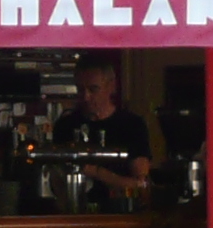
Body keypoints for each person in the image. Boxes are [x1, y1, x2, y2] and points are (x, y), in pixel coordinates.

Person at [54, 57, 154, 205]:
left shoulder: (131, 125)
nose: (86, 97)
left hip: (120, 213)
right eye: (80, 89)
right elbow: (56, 177)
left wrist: (96, 172)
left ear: (112, 86)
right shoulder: (66, 125)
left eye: (93, 89)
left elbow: (141, 184)